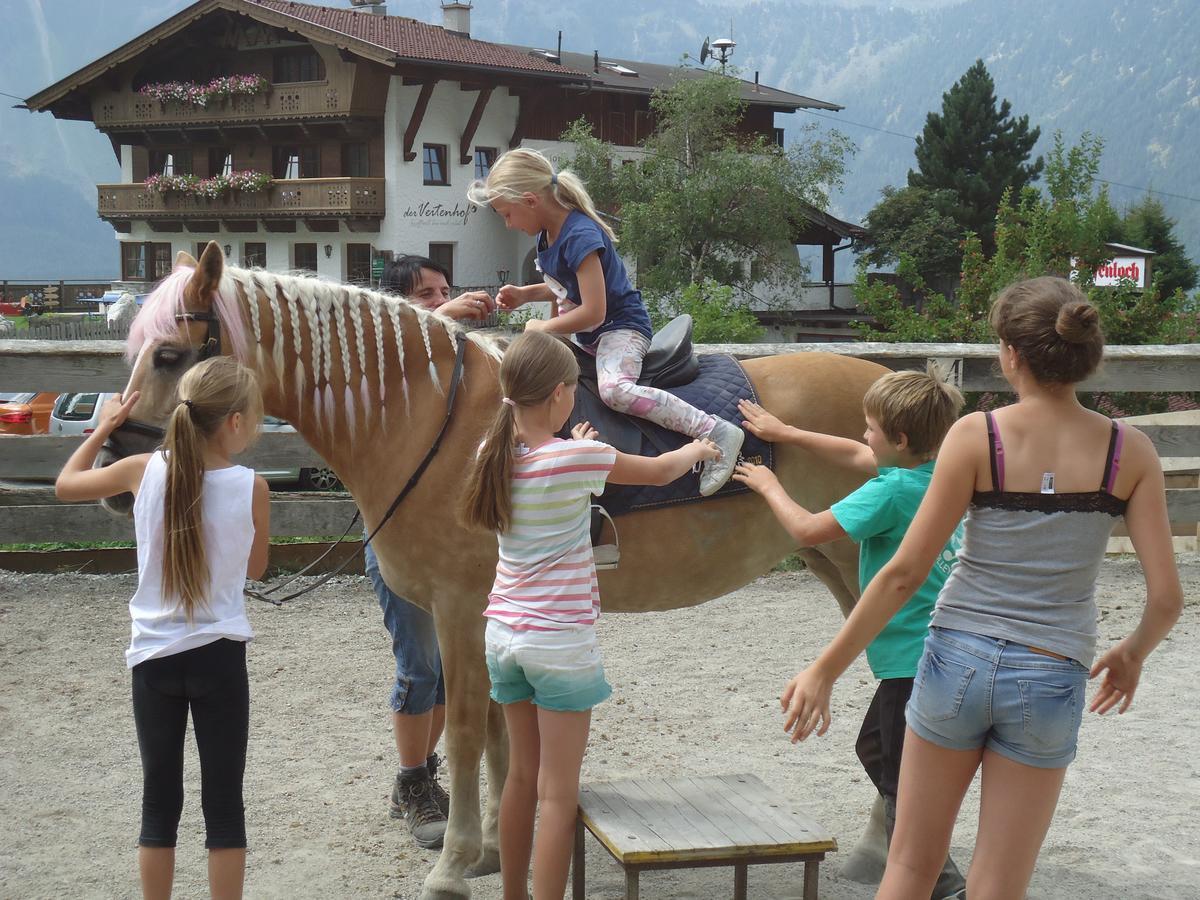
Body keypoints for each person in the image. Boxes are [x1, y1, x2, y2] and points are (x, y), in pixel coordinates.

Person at [779, 277, 1184, 900]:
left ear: (1011, 355)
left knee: (911, 870)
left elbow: (904, 574)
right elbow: (1165, 600)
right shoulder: (1130, 452)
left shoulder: (977, 436)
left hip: (955, 664)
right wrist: (1131, 655)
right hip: (1051, 670)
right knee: (1000, 884)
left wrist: (825, 669)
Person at [459, 330, 719, 900]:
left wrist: (571, 442)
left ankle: (513, 895)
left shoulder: (493, 453)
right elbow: (656, 472)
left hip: (503, 635)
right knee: (558, 792)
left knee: (521, 779)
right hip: (558, 644)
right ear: (559, 394)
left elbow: (552, 460)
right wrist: (698, 448)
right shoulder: (578, 458)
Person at [734, 367, 967, 899]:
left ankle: (941, 880)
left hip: (911, 662)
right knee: (876, 749)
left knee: (897, 776)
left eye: (869, 428)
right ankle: (935, 864)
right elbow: (855, 455)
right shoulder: (935, 473)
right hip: (938, 652)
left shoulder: (888, 493)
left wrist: (770, 483)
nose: (863, 436)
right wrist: (787, 433)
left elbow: (807, 530)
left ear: (900, 439)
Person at [55, 356, 270, 900]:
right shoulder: (253, 486)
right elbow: (256, 568)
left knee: (159, 802)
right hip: (220, 657)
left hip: (151, 659)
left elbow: (66, 484)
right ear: (235, 423)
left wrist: (103, 428)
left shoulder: (141, 470)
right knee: (224, 805)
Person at [467, 147, 744, 497]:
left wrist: (544, 328)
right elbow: (566, 287)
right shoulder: (547, 236)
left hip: (619, 327)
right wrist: (525, 294)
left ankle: (715, 429)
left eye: (508, 214)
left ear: (530, 200)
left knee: (614, 390)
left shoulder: (580, 235)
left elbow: (595, 310)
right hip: (589, 333)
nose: (508, 224)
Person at [369, 253, 495, 848]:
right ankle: (413, 781)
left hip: (442, 535)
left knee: (447, 667)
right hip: (398, 533)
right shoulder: (380, 362)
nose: (442, 299)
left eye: (446, 289)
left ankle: (420, 778)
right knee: (419, 667)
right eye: (426, 294)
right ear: (396, 304)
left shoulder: (449, 362)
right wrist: (443, 315)